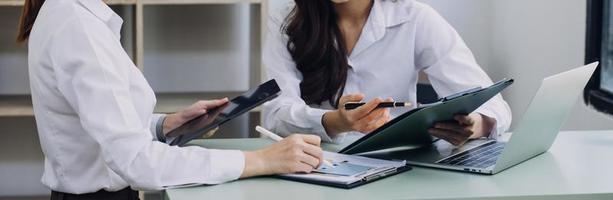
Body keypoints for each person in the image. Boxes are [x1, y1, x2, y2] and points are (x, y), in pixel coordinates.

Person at [17, 0, 325, 199]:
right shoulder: (78, 28)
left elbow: (93, 123)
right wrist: (260, 160)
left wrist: (164, 125)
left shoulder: (68, 15)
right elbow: (137, 161)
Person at [263, 0, 512, 146]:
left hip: (399, 163)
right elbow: (274, 114)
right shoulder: (288, 20)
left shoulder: (414, 17)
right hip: (316, 163)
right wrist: (334, 122)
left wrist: (477, 125)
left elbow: (492, 103)